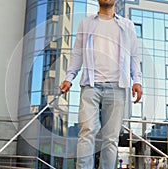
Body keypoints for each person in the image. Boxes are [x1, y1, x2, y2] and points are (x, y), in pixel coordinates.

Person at [59, 0, 142, 168]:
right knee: (87, 131)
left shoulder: (127, 25)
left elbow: (134, 55)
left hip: (117, 87)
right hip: (91, 85)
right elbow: (77, 53)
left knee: (110, 138)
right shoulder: (86, 23)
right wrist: (69, 77)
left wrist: (137, 80)